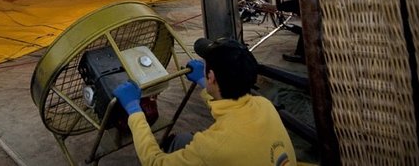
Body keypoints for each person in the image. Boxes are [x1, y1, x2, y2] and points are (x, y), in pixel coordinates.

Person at [113, 37, 297, 165]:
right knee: (183, 141)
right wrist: (203, 83)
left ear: (211, 76)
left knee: (179, 145)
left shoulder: (213, 146)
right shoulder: (264, 106)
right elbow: (228, 107)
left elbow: (154, 162)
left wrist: (134, 111)